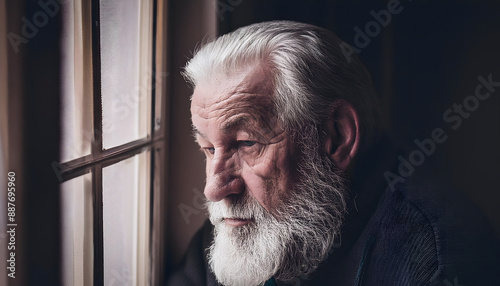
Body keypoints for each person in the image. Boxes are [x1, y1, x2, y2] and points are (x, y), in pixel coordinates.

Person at [168, 21, 499, 286]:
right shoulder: (241, 224)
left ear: (337, 136)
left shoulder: (436, 260)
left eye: (246, 144)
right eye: (209, 148)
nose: (214, 188)